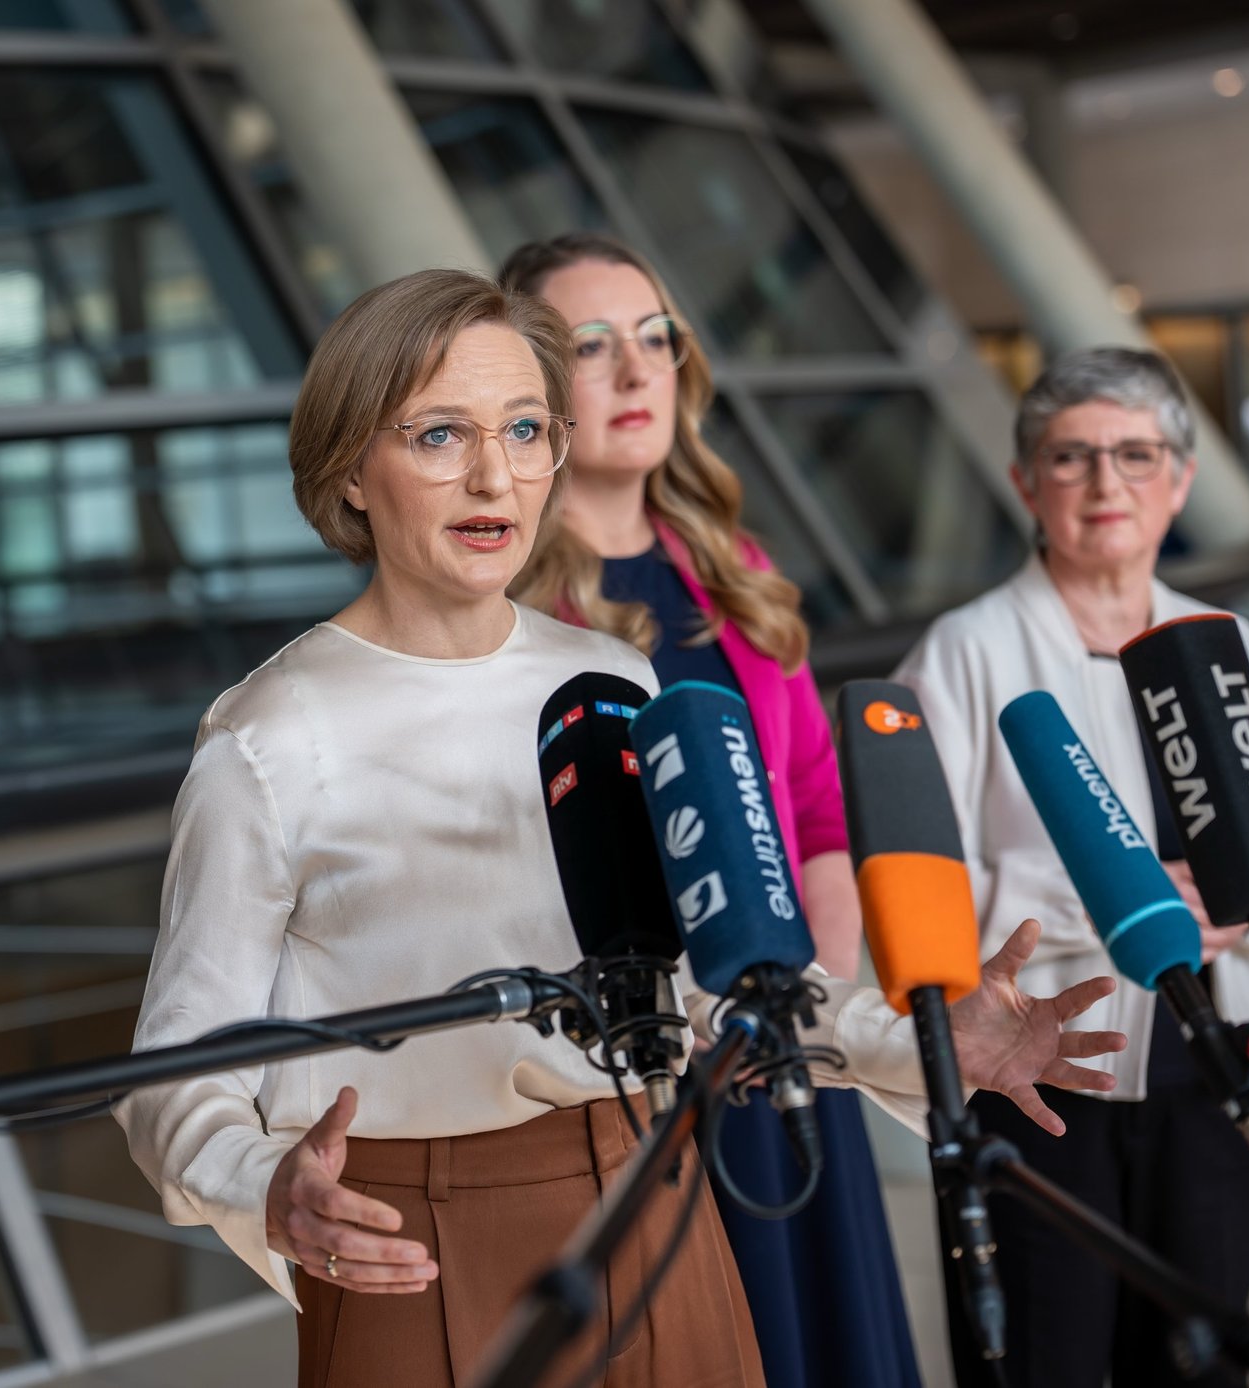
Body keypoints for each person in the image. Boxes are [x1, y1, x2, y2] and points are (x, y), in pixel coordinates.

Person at [115, 266, 1130, 1388]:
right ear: (351, 466)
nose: (493, 473)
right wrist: (263, 1179)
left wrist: (932, 1043)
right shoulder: (266, 734)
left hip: (656, 1195)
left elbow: (705, 979)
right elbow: (177, 1070)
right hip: (407, 1239)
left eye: (522, 428)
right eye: (439, 433)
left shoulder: (609, 676)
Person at [500, 230, 921, 1388]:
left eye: (654, 338)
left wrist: (818, 1010)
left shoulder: (726, 565)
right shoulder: (506, 609)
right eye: (591, 347)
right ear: (526, 388)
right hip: (635, 1085)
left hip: (788, 1047)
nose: (638, 373)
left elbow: (818, 813)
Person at [895, 347, 1249, 1388]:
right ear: (1024, 482)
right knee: (1036, 1359)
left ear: (1180, 479)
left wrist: (1235, 909)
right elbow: (915, 872)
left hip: (1212, 1068)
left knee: (1195, 1355)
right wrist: (1115, 904)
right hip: (1037, 1069)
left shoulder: (1230, 643)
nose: (1105, 484)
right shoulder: (962, 650)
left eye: (1135, 455)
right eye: (1071, 457)